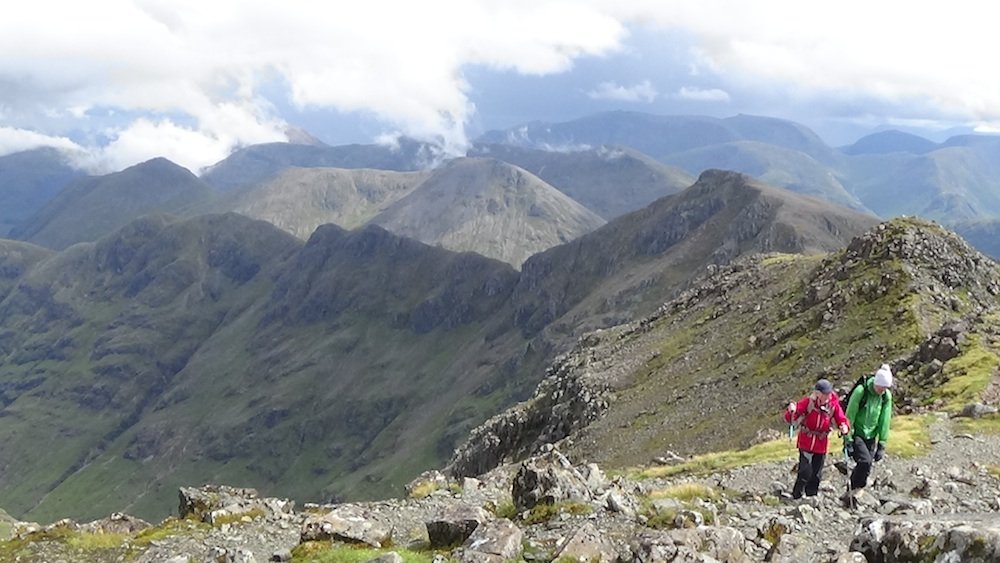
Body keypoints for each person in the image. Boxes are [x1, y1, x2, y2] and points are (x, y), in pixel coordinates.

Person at [784, 378, 850, 499]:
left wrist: (844, 426)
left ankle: (811, 496)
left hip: (821, 443)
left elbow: (841, 418)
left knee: (816, 474)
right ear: (817, 393)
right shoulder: (808, 402)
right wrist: (791, 410)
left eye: (828, 393)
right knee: (805, 471)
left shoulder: (833, 406)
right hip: (806, 441)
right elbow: (791, 417)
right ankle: (796, 495)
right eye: (824, 394)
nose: (827, 396)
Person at [844, 363, 893, 492]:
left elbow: (885, 420)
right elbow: (850, 414)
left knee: (867, 466)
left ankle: (855, 491)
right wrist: (848, 438)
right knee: (864, 462)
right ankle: (852, 488)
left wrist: (882, 443)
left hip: (871, 436)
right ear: (876, 382)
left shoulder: (885, 397)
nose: (882, 391)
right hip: (857, 434)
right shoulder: (861, 391)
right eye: (881, 387)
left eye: (885, 388)